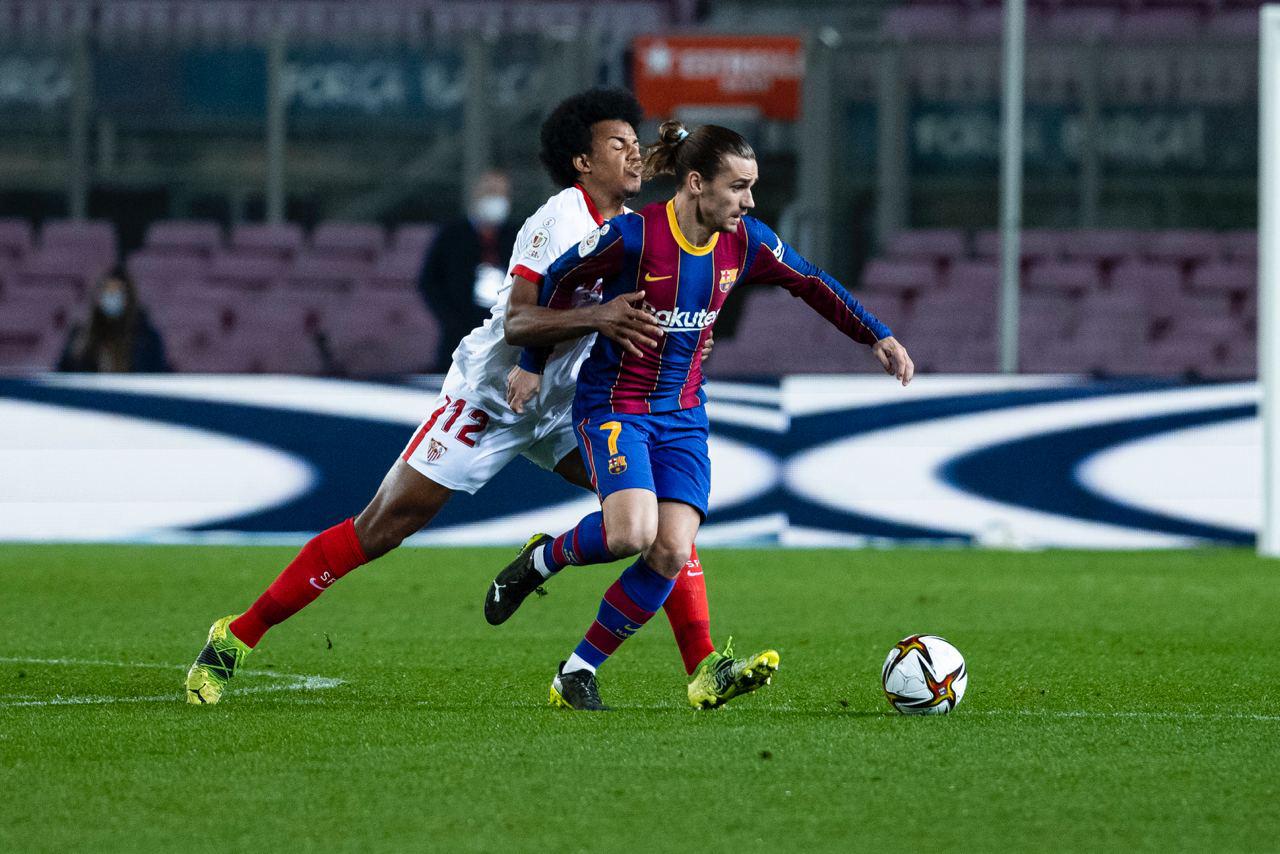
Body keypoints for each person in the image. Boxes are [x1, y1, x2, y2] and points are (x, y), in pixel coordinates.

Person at [185, 90, 774, 712]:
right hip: (494, 395)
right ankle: (234, 638)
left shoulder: (644, 225)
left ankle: (703, 665)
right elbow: (520, 322)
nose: (633, 155)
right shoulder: (557, 223)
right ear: (582, 162)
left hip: (575, 399)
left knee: (660, 515)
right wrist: (599, 318)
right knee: (385, 526)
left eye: (635, 143)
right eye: (617, 145)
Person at [491, 120, 914, 711]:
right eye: (738, 187)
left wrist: (878, 335)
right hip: (617, 404)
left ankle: (577, 672)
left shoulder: (748, 242)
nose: (750, 201)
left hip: (685, 414)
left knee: (669, 551)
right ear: (696, 184)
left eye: (752, 187)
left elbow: (813, 283)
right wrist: (533, 361)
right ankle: (541, 559)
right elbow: (558, 280)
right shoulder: (632, 237)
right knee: (632, 533)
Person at [417, 170, 521, 372]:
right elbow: (429, 282)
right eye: (490, 192)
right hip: (458, 338)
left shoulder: (518, 237)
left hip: (506, 339)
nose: (496, 199)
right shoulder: (451, 236)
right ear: (476, 195)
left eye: (502, 194)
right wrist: (451, 319)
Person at [58, 266, 169, 373]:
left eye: (117, 293)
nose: (112, 297)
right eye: (108, 292)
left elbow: (154, 378)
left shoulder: (147, 338)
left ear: (129, 298)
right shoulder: (80, 336)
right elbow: (64, 377)